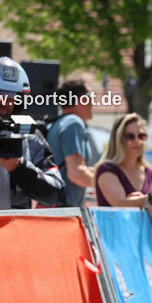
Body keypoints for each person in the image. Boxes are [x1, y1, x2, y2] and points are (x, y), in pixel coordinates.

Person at [0, 57, 65, 210]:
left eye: (11, 97)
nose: (3, 103)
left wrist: (19, 167)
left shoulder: (31, 137)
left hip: (18, 224)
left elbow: (55, 192)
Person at [95, 113, 152, 226]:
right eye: (130, 137)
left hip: (144, 237)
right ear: (118, 140)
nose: (137, 141)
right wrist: (151, 199)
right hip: (113, 235)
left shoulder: (150, 173)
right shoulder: (106, 170)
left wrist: (147, 203)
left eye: (141, 136)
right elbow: (119, 203)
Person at [47, 79, 96, 207]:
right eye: (91, 97)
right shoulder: (74, 123)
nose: (93, 102)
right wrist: (107, 182)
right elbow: (76, 174)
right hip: (64, 210)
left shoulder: (59, 122)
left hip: (56, 207)